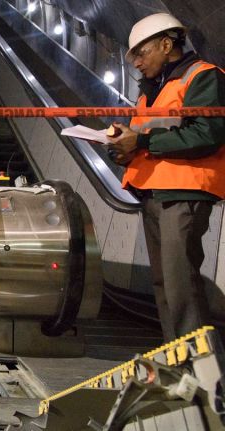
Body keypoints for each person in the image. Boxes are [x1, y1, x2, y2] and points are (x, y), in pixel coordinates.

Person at [107, 13, 225, 341]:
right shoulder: (149, 93)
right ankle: (178, 359)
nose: (137, 64)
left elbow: (206, 133)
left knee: (180, 284)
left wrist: (141, 141)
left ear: (166, 44)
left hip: (184, 192)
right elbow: (140, 134)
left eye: (141, 54)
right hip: (153, 192)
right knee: (163, 285)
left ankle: (203, 370)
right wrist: (120, 148)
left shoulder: (202, 76)